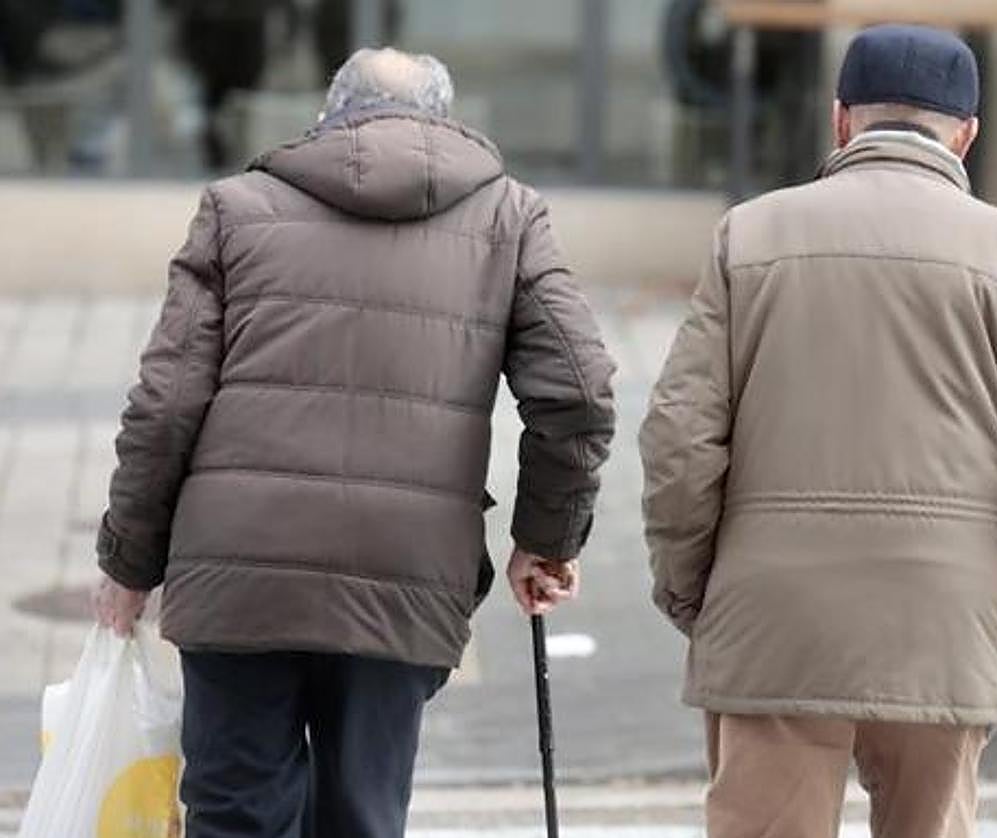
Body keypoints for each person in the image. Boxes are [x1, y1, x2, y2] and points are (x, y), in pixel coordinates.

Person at [92, 48, 616, 838]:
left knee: (235, 814)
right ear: (444, 123)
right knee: (363, 818)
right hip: (402, 575)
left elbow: (166, 405)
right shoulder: (508, 218)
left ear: (328, 116)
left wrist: (129, 563)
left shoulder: (237, 208)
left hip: (241, 573)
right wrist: (543, 539)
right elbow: (578, 390)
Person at [639, 24, 997, 838]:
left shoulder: (749, 237)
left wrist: (695, 591)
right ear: (965, 133)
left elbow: (680, 438)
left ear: (841, 120)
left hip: (774, 621)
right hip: (945, 621)